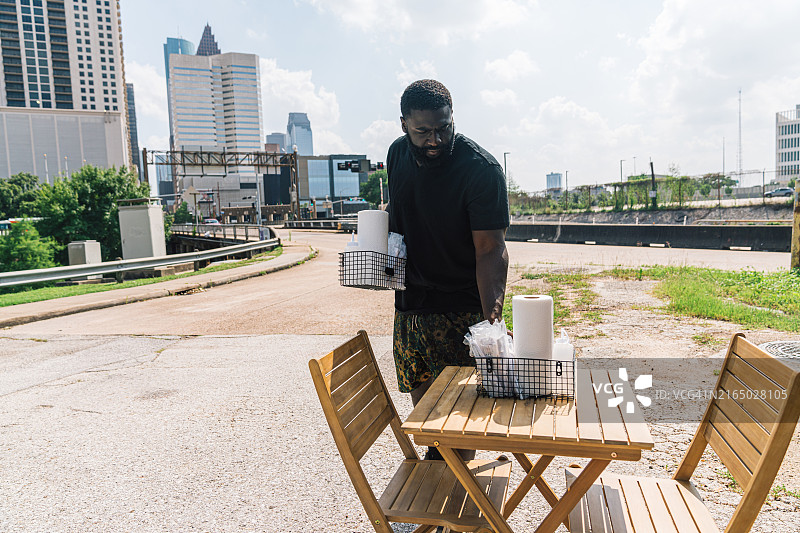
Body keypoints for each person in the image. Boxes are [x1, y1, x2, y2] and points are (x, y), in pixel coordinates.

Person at [387, 79, 509, 460]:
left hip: (460, 319)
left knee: (455, 442)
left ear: (453, 116)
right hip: (410, 314)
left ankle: (449, 495)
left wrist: (492, 323)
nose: (435, 140)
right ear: (404, 124)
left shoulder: (481, 170)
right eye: (422, 131)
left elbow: (491, 250)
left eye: (443, 127)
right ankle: (443, 488)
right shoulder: (396, 155)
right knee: (432, 435)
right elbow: (399, 214)